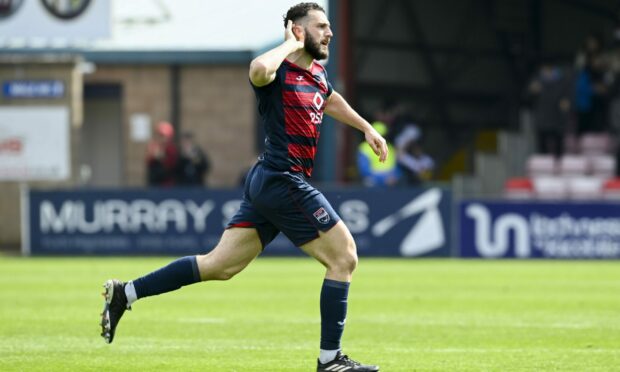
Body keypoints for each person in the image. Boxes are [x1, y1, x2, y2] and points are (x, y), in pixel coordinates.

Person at [100, 3, 386, 371]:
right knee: (344, 256)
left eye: (329, 26)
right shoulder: (277, 69)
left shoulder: (316, 73)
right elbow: (257, 70)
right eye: (321, 26)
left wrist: (365, 126)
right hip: (283, 179)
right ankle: (330, 361)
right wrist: (289, 44)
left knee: (219, 266)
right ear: (299, 31)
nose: (329, 32)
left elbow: (329, 99)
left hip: (270, 181)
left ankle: (126, 293)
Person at [357, 121, 400, 186]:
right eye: (379, 136)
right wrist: (383, 178)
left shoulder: (390, 147)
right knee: (369, 182)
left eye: (384, 135)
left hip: (390, 181)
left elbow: (395, 166)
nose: (381, 138)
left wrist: (394, 176)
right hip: (373, 180)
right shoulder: (364, 147)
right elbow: (364, 170)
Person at [146, 121, 179, 187]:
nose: (161, 138)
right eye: (159, 135)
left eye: (163, 136)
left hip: (167, 184)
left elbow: (171, 165)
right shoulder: (154, 146)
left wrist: (162, 158)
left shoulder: (171, 149)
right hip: (154, 182)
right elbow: (149, 162)